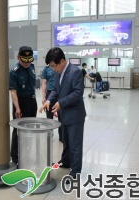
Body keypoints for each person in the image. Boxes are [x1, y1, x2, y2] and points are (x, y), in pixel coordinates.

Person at [39, 47, 86, 181]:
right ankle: (66, 161)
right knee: (66, 141)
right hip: (63, 114)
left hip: (75, 115)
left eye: (54, 66)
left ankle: (75, 171)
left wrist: (61, 103)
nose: (53, 69)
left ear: (62, 61)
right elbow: (55, 89)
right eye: (51, 67)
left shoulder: (75, 72)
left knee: (75, 144)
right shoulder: (57, 72)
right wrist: (48, 100)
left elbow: (78, 93)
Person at [9, 46, 37, 165]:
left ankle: (26, 153)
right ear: (18, 57)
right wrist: (17, 108)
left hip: (32, 101)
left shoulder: (32, 66)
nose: (27, 63)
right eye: (24, 60)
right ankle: (15, 158)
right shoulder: (14, 71)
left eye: (29, 60)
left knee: (30, 129)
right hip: (20, 102)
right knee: (18, 130)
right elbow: (13, 92)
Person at [41, 65, 62, 142]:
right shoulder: (46, 69)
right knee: (49, 115)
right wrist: (43, 96)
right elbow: (44, 83)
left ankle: (62, 136)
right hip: (50, 93)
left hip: (60, 93)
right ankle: (49, 134)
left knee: (61, 115)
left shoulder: (61, 67)